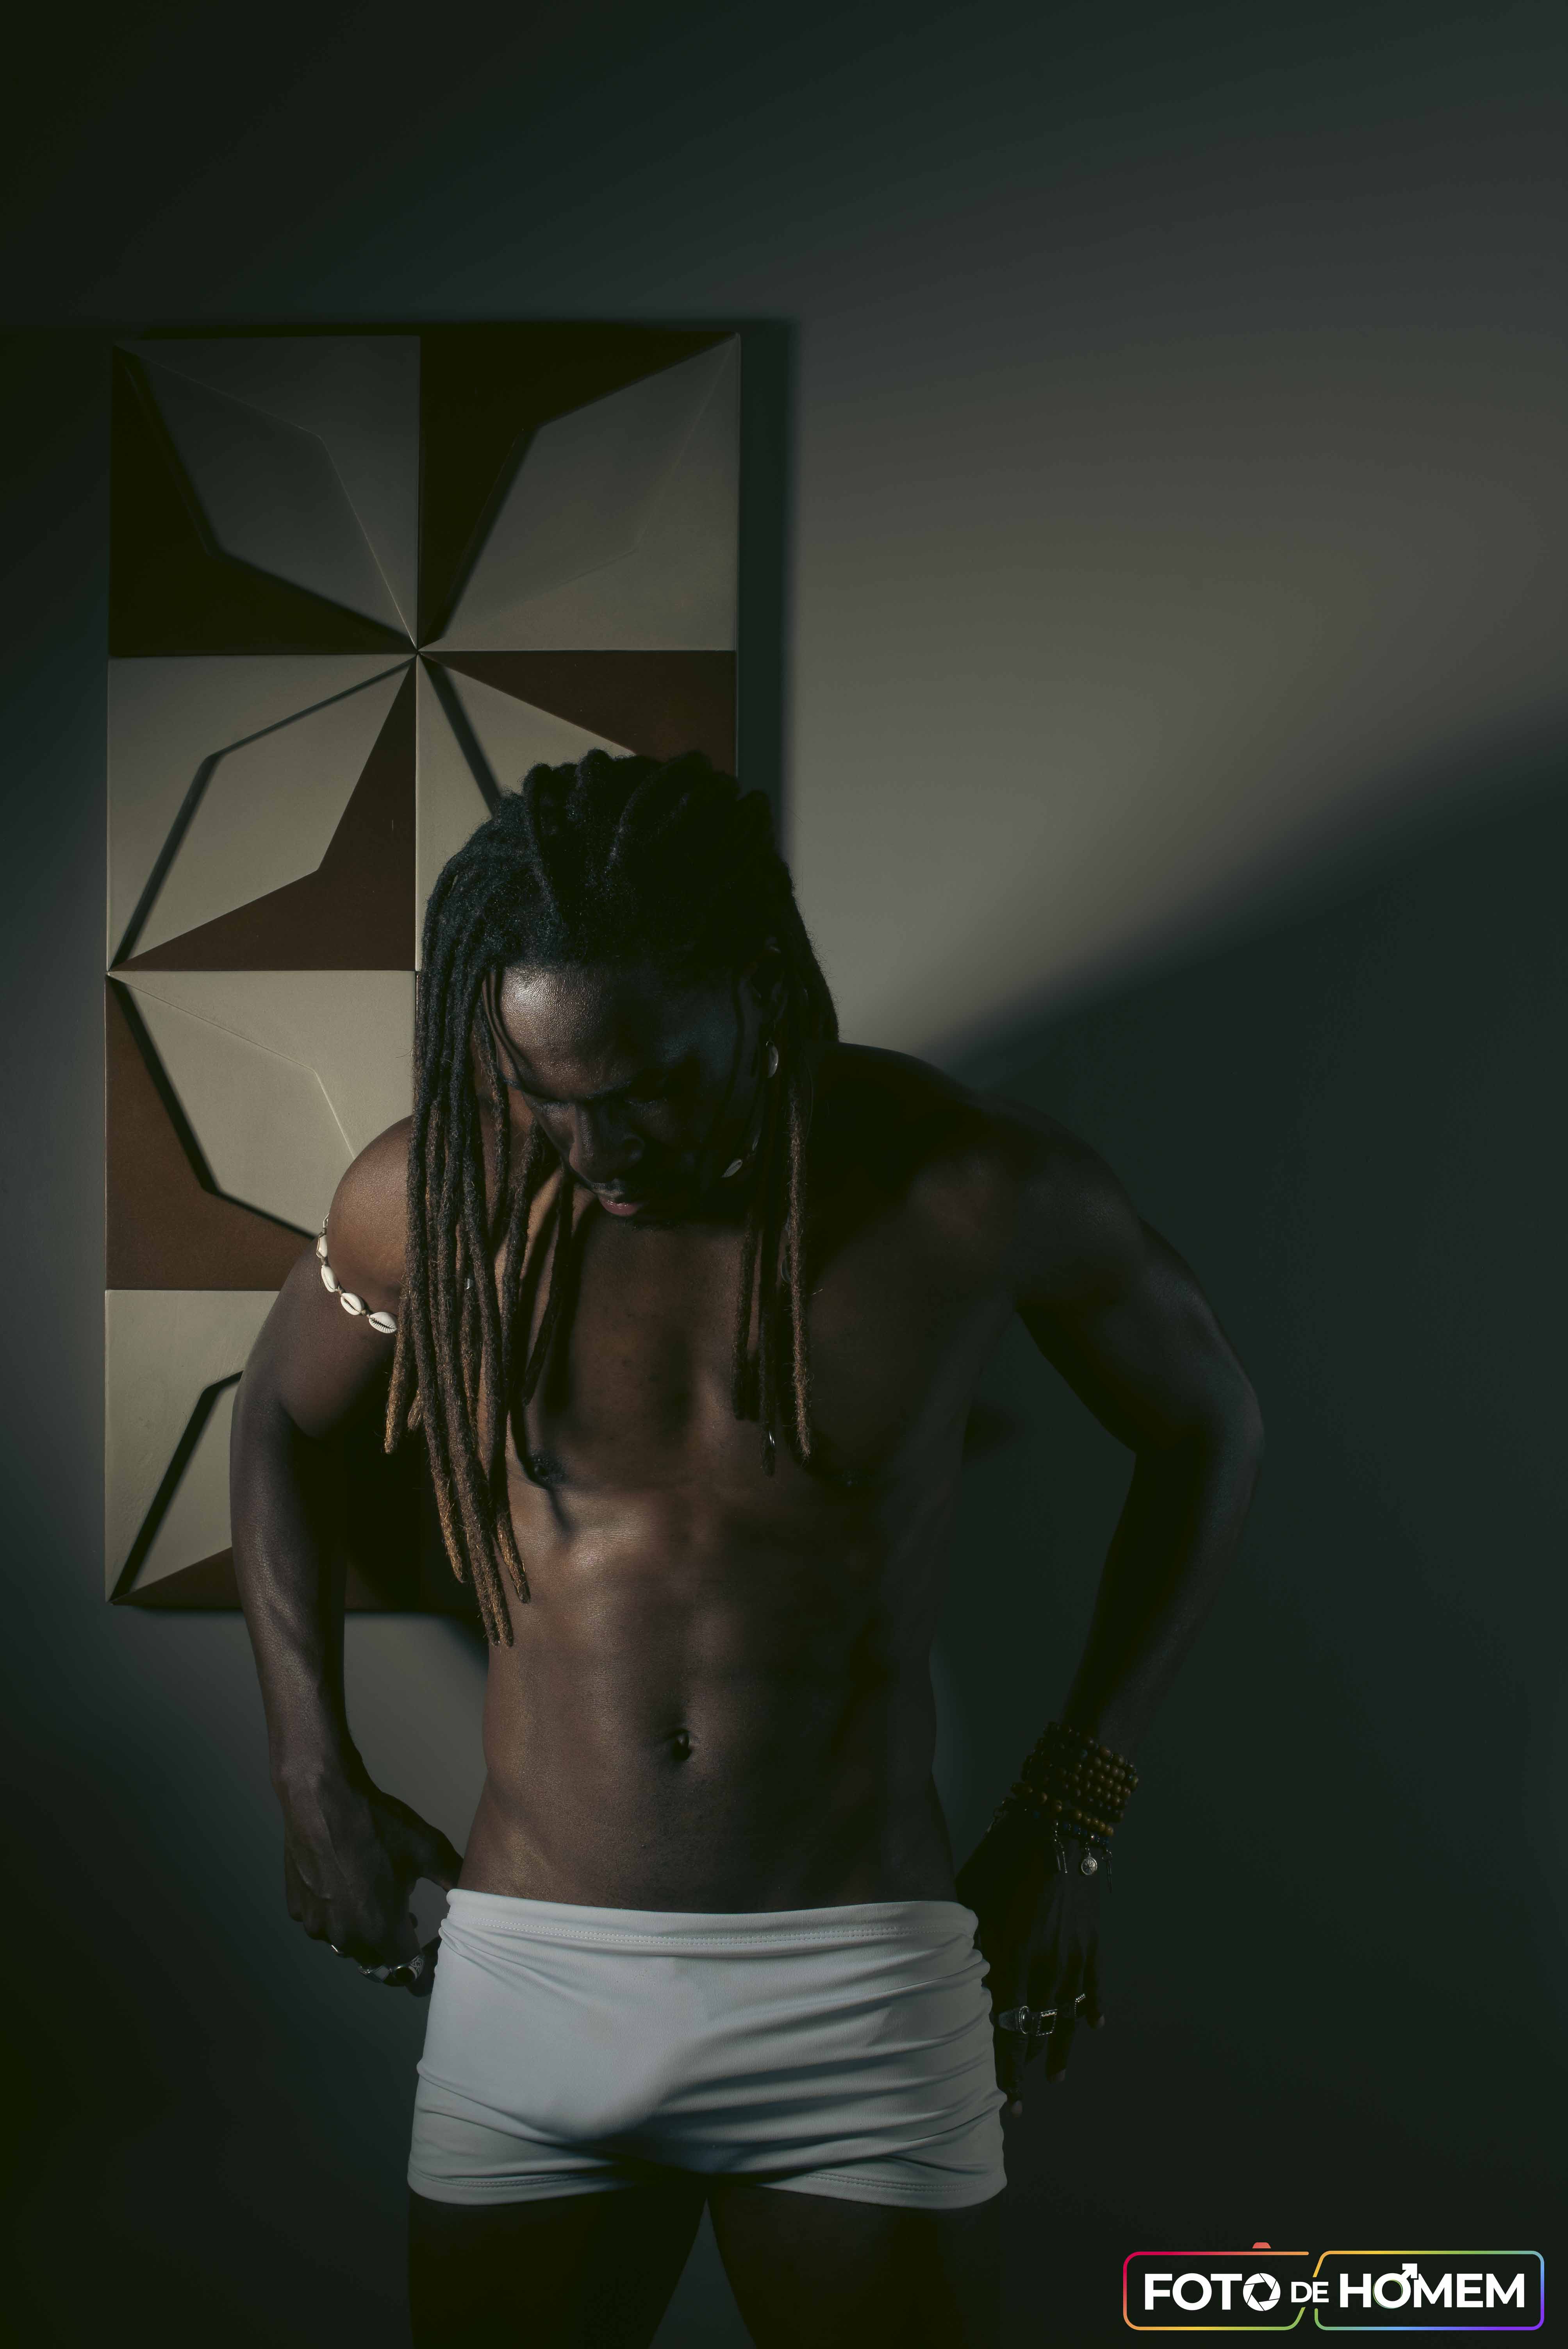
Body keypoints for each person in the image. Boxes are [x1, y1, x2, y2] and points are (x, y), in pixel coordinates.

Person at [230, 749, 1263, 2348]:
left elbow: (1208, 1430)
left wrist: (1075, 1808)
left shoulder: (970, 1190)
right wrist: (313, 1771)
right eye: (544, 1094)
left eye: (644, 1087)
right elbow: (276, 1422)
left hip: (857, 1981)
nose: (597, 1149)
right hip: (534, 1974)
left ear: (755, 994)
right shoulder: (430, 1196)